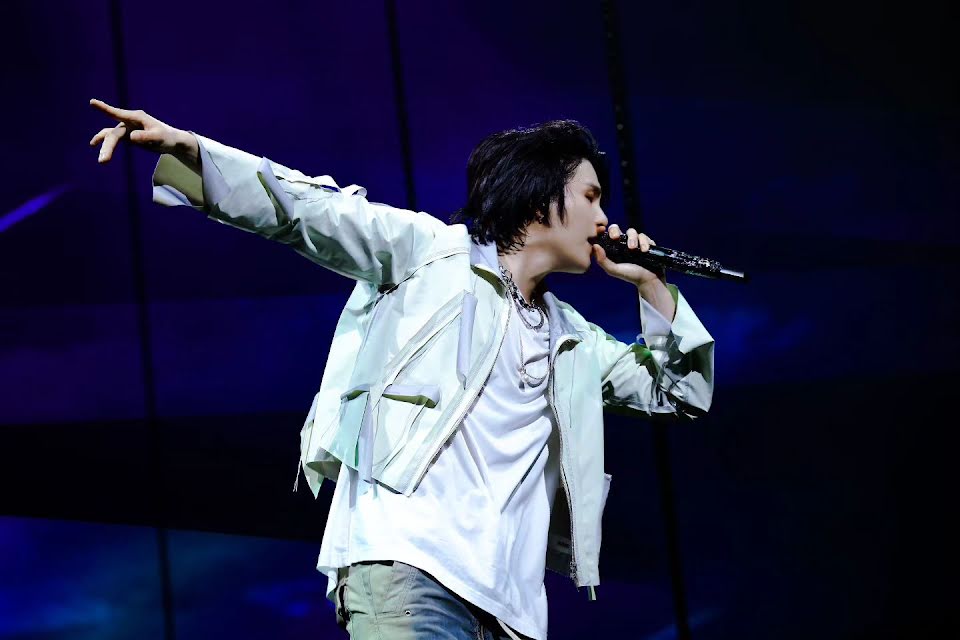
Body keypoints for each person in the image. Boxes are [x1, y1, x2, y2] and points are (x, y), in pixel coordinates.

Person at [89, 98, 715, 640]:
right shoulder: (430, 253)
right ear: (537, 197)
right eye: (591, 196)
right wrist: (189, 149)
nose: (604, 219)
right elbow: (308, 208)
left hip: (512, 609)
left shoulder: (571, 338)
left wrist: (652, 286)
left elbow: (679, 392)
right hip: (408, 566)